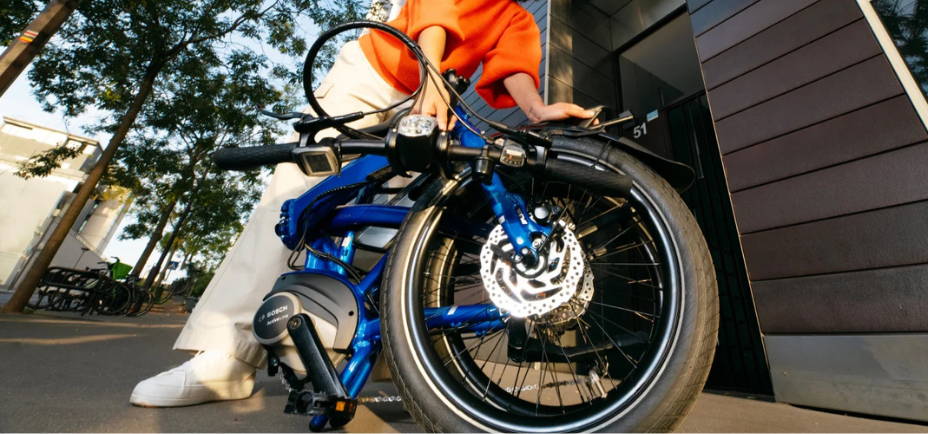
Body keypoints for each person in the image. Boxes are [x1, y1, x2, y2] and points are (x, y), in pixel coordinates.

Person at [130, 0, 594, 407]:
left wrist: (537, 111)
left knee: (404, 222)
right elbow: (434, 11)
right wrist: (431, 79)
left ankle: (374, 352)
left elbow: (513, 63)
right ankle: (226, 357)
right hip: (374, 75)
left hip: (436, 94)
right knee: (296, 194)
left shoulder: (514, 13)